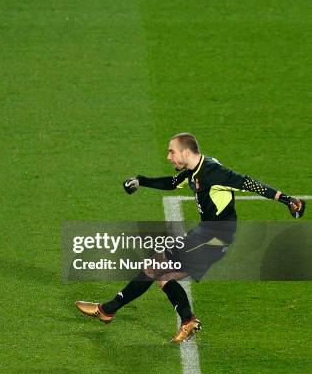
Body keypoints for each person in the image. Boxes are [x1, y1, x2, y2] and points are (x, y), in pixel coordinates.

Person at [75, 133, 306, 343]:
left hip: (214, 238)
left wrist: (286, 199)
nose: (168, 157)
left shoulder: (214, 172)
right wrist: (141, 180)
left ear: (185, 152)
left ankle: (108, 309)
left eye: (171, 151)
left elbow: (248, 183)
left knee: (153, 266)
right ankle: (188, 320)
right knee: (164, 277)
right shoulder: (192, 172)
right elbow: (171, 183)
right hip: (207, 236)